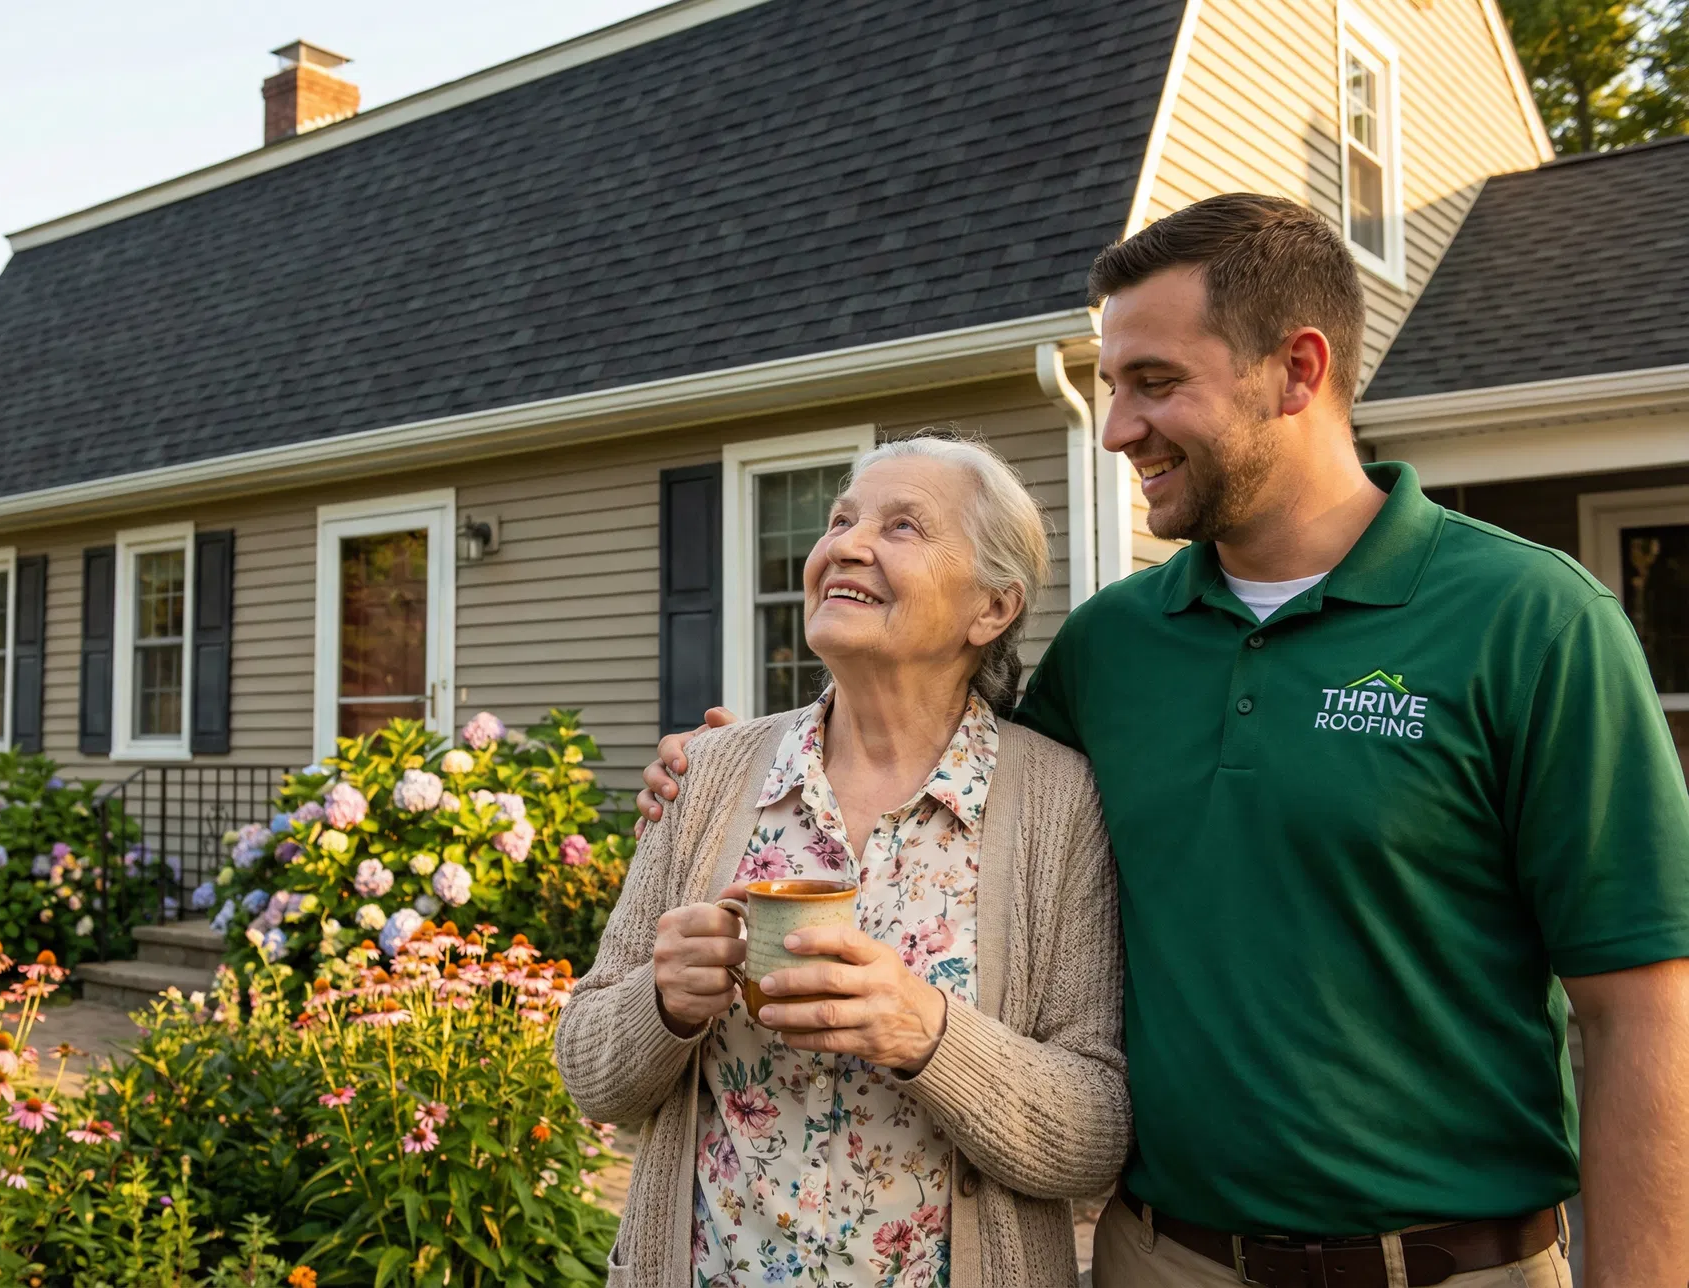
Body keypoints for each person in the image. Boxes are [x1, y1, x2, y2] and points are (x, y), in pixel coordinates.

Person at [638, 194, 1689, 1288]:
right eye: (1110, 386)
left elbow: (1642, 1015)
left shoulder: (1531, 620)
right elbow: (941, 776)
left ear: (1298, 369)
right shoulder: (1113, 650)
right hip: (1161, 1257)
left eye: (1156, 383)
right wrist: (735, 762)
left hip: (1449, 1265)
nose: (1115, 428)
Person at [557, 436, 1130, 1288]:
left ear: (992, 608)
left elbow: (1097, 1132)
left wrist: (925, 1033)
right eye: (840, 520)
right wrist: (662, 1002)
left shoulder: (1057, 803)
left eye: (903, 526)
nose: (845, 545)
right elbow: (589, 1073)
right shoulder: (710, 774)